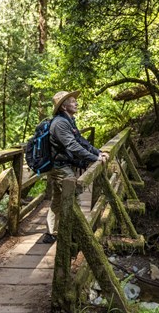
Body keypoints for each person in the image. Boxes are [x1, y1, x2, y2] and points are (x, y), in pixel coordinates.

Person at [42, 90, 109, 244]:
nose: (76, 103)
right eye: (72, 101)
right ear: (64, 107)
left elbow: (80, 140)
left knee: (58, 199)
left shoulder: (68, 120)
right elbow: (71, 145)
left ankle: (52, 232)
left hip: (65, 164)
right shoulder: (60, 123)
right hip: (59, 167)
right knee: (73, 197)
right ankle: (77, 236)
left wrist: (97, 152)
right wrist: (94, 158)